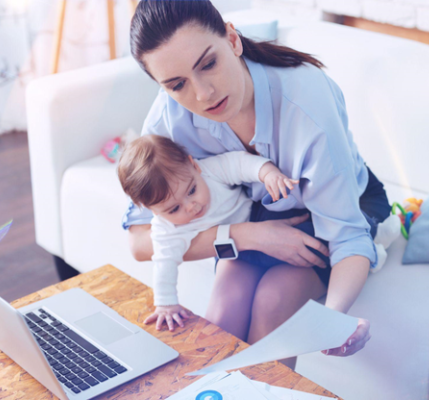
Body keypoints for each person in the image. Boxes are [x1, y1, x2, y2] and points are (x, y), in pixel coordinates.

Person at [124, 0, 397, 368]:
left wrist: (331, 320)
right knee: (225, 305)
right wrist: (248, 236)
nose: (202, 94)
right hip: (254, 213)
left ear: (232, 39)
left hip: (335, 204)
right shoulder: (169, 119)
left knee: (273, 300)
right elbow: (143, 242)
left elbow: (347, 235)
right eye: (177, 85)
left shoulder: (308, 104)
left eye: (209, 63)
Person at [118, 134, 300, 330]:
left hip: (259, 214)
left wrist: (267, 173)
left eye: (192, 191)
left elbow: (238, 163)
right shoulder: (166, 229)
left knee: (294, 224)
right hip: (237, 252)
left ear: (193, 166)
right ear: (152, 210)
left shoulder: (208, 171)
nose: (191, 206)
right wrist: (166, 304)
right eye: (174, 209)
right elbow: (164, 265)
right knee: (225, 317)